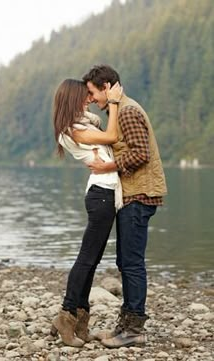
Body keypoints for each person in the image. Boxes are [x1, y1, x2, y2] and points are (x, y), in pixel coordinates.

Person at [82, 65, 167, 348]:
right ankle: (126, 324)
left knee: (131, 263)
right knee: (126, 261)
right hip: (131, 194)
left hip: (139, 194)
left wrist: (109, 165)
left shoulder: (128, 111)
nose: (92, 98)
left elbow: (140, 153)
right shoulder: (121, 110)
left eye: (93, 92)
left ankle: (134, 329)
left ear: (107, 87)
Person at [51, 78, 123, 347]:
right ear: (72, 98)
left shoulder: (82, 124)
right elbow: (112, 137)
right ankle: (66, 315)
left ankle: (80, 321)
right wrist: (113, 103)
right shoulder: (72, 130)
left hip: (105, 194)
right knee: (86, 259)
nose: (89, 100)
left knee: (91, 261)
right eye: (84, 96)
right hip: (101, 196)